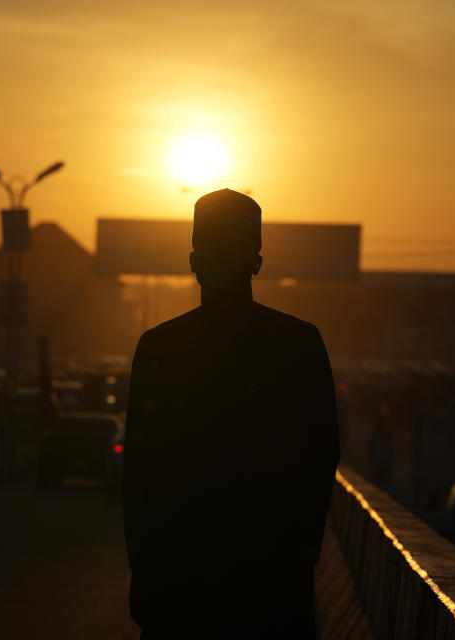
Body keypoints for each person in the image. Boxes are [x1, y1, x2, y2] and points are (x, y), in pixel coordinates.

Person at [123, 189, 340, 639]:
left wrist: (145, 574)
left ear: (193, 262)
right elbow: (322, 458)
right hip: (270, 593)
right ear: (257, 263)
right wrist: (297, 558)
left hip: (180, 591)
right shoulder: (299, 344)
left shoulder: (160, 348)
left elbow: (140, 474)